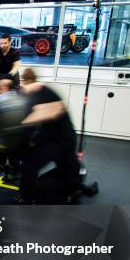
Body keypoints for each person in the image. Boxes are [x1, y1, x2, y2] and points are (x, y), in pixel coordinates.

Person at [17, 68, 81, 203]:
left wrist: (23, 129)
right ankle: (72, 191)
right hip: (66, 135)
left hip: (57, 139)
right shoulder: (44, 90)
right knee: (69, 165)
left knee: (30, 165)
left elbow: (45, 114)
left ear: (25, 81)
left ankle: (25, 198)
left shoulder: (36, 93)